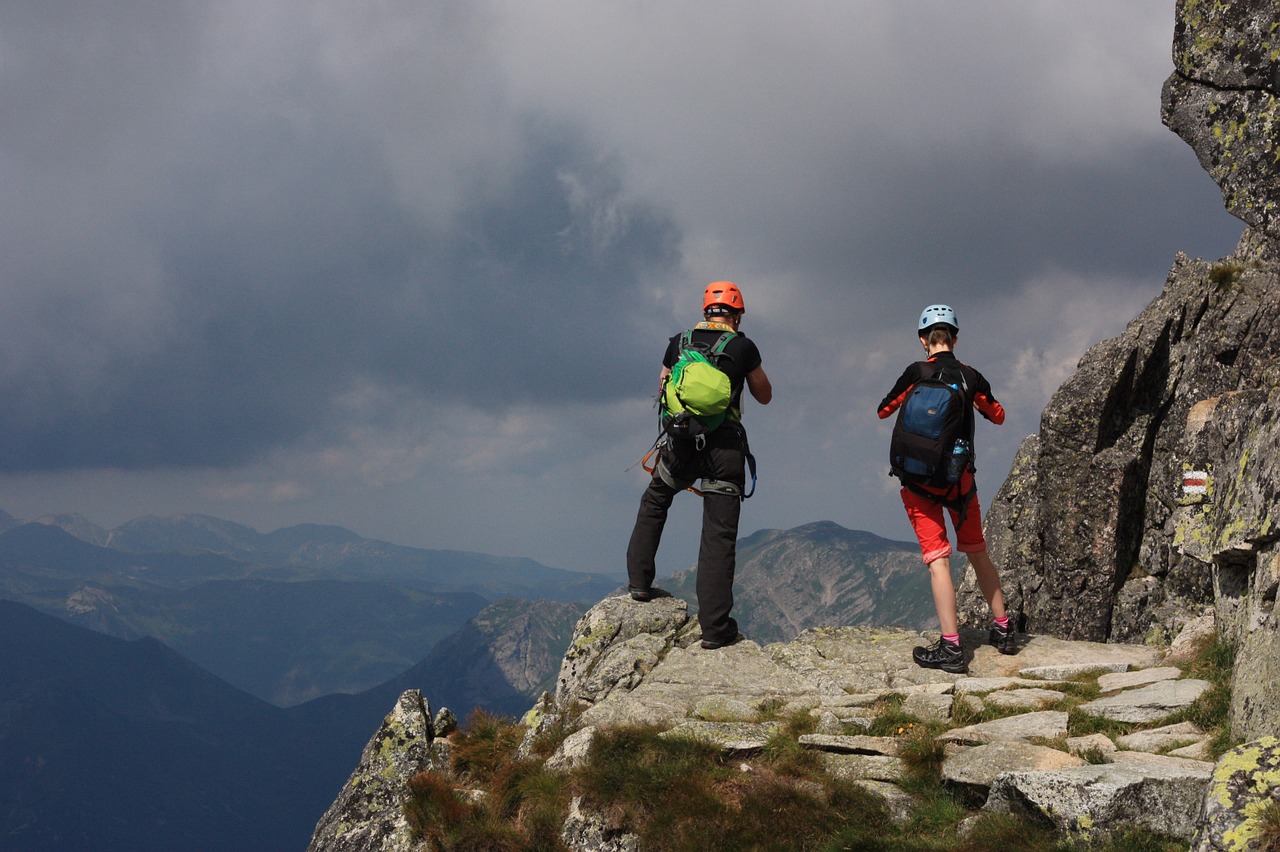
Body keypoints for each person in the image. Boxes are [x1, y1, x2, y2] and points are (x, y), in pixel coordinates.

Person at [626, 281, 772, 649]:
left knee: (656, 499)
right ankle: (714, 629)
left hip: (681, 442)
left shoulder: (679, 341)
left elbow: (662, 385)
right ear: (737, 314)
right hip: (724, 446)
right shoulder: (743, 346)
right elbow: (765, 395)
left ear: (705, 311)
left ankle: (640, 584)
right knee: (718, 535)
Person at [877, 304, 1016, 673]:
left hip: (918, 483)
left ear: (924, 340)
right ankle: (1003, 630)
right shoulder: (970, 376)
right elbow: (998, 415)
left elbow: (884, 410)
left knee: (938, 560)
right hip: (960, 483)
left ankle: (951, 648)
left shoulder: (916, 372)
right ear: (954, 338)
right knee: (977, 552)